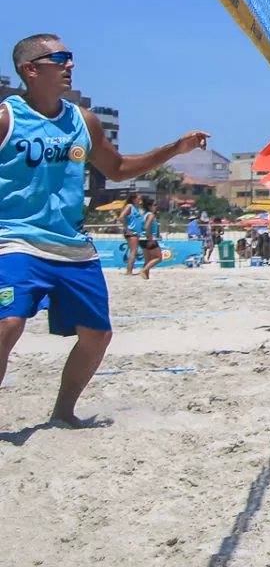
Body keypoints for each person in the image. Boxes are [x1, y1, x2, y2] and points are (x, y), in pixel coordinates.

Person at [1, 34, 208, 427]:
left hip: (72, 246)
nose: (70, 65)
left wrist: (174, 149)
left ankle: (63, 414)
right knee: (8, 324)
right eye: (59, 58)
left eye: (70, 58)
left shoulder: (83, 120)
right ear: (31, 69)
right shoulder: (6, 118)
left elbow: (116, 169)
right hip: (13, 238)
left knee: (97, 335)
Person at [135, 195, 162, 278]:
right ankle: (143, 270)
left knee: (147, 259)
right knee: (158, 258)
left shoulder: (144, 215)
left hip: (142, 238)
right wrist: (151, 239)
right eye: (154, 205)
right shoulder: (150, 215)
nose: (156, 207)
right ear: (149, 206)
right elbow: (147, 227)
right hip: (148, 238)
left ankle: (146, 275)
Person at [118, 199, 140, 274]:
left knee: (134, 251)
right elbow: (121, 217)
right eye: (138, 198)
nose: (139, 200)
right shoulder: (129, 206)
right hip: (131, 231)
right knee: (133, 251)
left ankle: (129, 270)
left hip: (134, 231)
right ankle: (129, 271)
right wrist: (127, 228)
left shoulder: (135, 207)